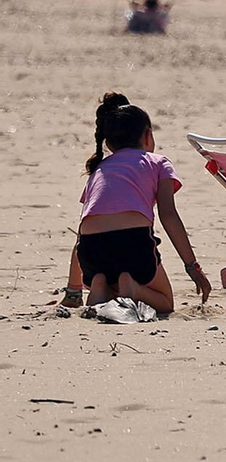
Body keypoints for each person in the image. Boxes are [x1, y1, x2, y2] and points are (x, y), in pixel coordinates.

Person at [75, 93, 210, 313]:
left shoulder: (98, 170)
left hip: (92, 252)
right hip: (133, 245)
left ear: (108, 142)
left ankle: (100, 287)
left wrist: (73, 289)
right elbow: (168, 216)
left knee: (105, 277)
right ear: (148, 136)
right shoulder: (158, 163)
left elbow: (82, 230)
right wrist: (192, 266)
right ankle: (134, 290)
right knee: (166, 303)